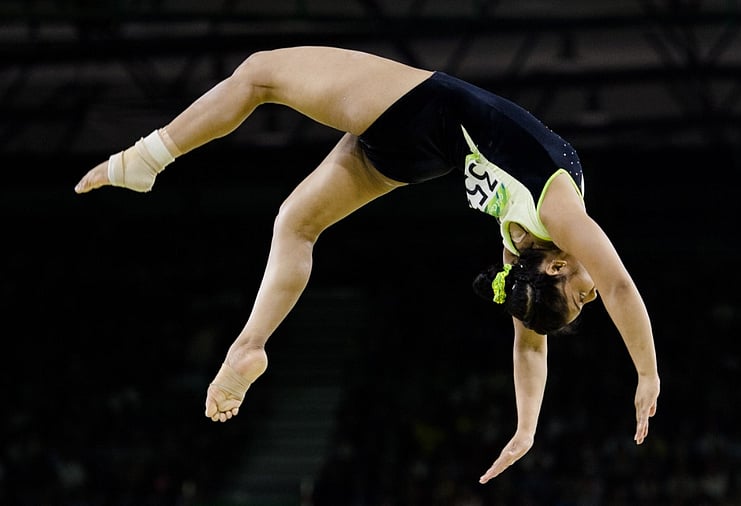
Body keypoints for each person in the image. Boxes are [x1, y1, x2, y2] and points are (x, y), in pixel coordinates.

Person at [74, 46, 660, 484]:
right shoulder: (528, 240)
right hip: (424, 152)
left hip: (425, 108)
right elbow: (537, 340)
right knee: (296, 223)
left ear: (555, 269)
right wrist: (526, 428)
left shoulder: (558, 216)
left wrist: (647, 375)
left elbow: (615, 287)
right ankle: (248, 344)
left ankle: (145, 160)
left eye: (579, 298)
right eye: (586, 300)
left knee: (258, 73)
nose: (592, 291)